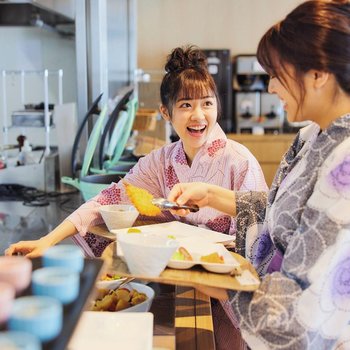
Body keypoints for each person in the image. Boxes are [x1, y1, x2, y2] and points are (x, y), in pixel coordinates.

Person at [6, 45, 267, 349]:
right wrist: (47, 241)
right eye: (185, 105)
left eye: (207, 103)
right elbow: (110, 199)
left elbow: (258, 239)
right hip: (181, 280)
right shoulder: (161, 161)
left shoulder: (240, 161)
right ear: (165, 112)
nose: (198, 115)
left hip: (226, 291)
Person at [167, 1, 350, 349]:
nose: (270, 88)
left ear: (317, 73)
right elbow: (290, 213)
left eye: (277, 74)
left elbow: (303, 312)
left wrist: (214, 280)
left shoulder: (346, 161)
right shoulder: (315, 135)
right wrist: (212, 195)